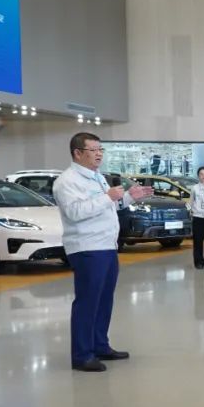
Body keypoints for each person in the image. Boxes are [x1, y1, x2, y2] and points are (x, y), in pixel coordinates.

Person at [53, 132, 153, 372]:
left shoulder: (97, 177)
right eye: (93, 150)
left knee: (104, 300)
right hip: (87, 247)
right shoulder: (67, 181)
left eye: (101, 150)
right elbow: (75, 212)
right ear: (78, 153)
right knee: (88, 301)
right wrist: (108, 196)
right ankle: (82, 355)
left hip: (107, 246)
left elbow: (109, 205)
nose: (99, 154)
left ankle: (100, 345)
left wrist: (128, 197)